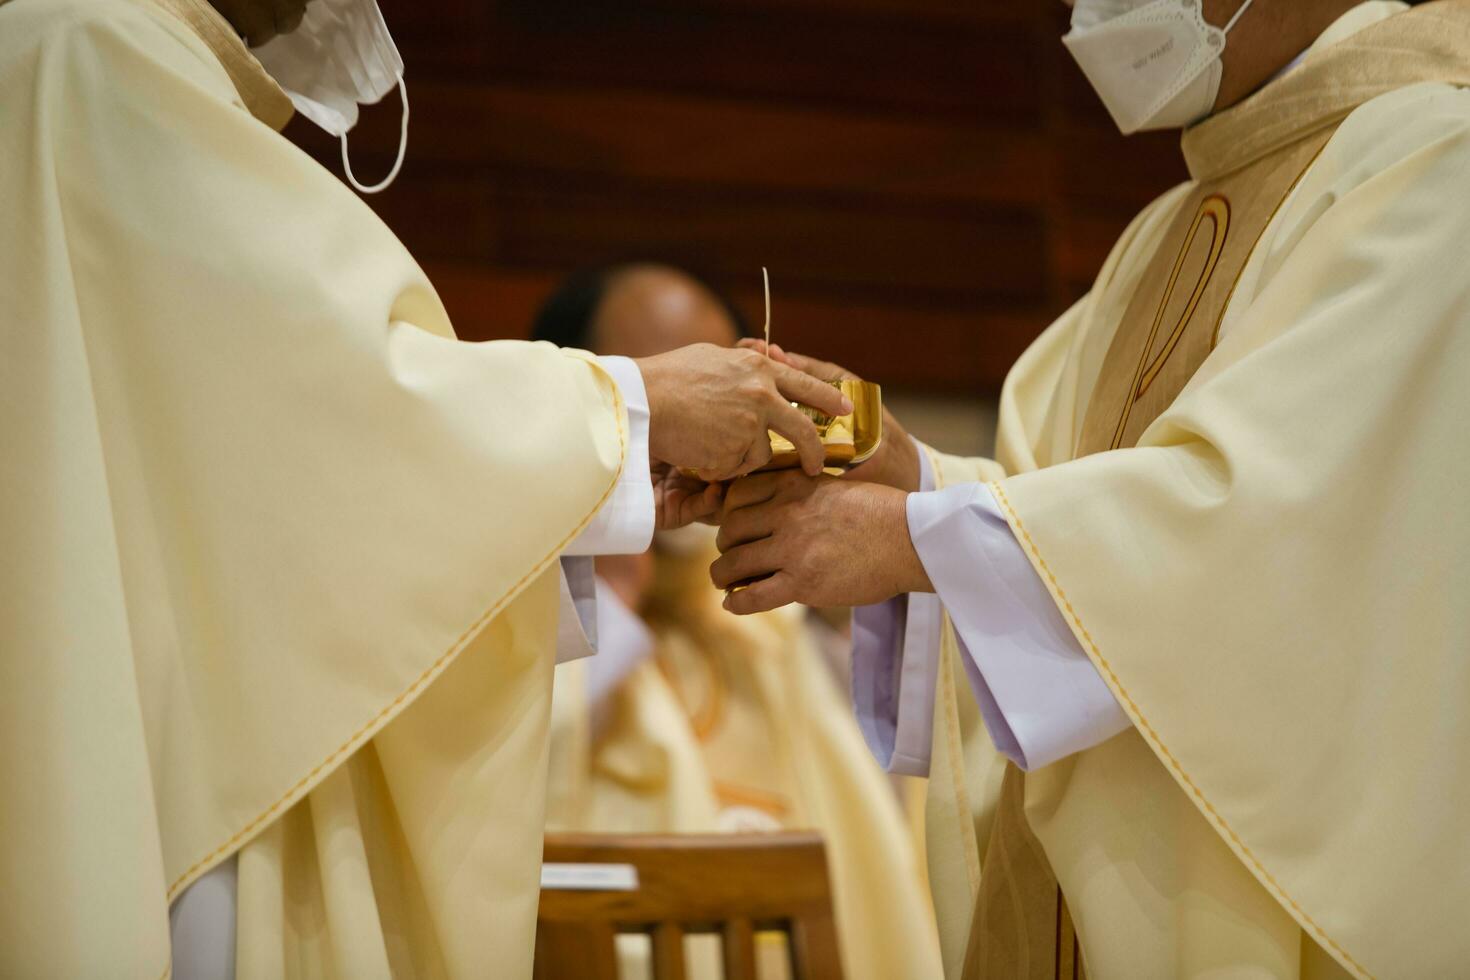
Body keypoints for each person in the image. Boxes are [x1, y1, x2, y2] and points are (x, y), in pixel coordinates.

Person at [0, 1, 854, 977]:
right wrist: (629, 411)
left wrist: (596, 481)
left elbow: (260, 473)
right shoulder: (94, 49)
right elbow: (345, 422)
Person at [713, 1, 1470, 977]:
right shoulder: (1165, 226)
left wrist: (914, 537)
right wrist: (917, 476)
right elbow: (1069, 496)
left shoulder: (1431, 161)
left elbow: (1272, 530)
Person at [533, 264, 945, 980]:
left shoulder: (773, 622)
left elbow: (877, 824)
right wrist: (614, 585)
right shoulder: (523, 595)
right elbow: (500, 782)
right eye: (680, 400)